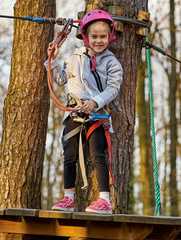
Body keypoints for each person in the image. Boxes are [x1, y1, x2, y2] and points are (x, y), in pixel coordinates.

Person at [44, 9, 123, 214]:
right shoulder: (74, 58)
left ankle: (105, 200)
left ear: (109, 37)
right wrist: (53, 60)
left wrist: (95, 102)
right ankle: (68, 198)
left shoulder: (111, 62)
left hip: (97, 114)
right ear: (85, 37)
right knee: (68, 155)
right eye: (94, 36)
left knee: (98, 155)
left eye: (103, 37)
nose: (99, 41)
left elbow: (113, 89)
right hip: (74, 112)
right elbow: (61, 79)